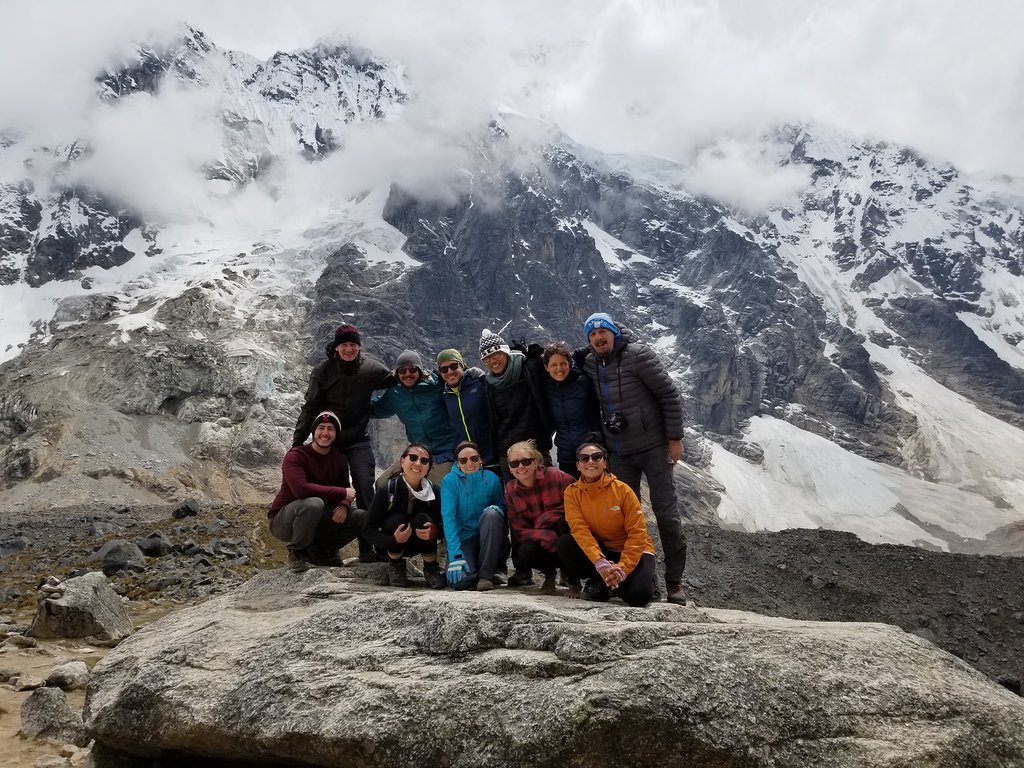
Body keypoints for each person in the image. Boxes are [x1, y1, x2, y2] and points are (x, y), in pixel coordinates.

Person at [581, 312, 688, 605]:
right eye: (592, 334)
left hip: (653, 447)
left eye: (603, 332)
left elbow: (669, 395)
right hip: (619, 452)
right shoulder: (590, 362)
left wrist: (674, 439)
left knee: (666, 514)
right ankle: (645, 579)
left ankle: (675, 582)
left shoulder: (639, 355)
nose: (598, 338)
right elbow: (563, 364)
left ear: (615, 332)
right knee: (622, 519)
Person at [292, 324, 394, 561]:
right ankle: (327, 547)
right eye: (344, 345)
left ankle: (370, 548)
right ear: (336, 348)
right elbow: (311, 407)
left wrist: (424, 375)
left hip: (358, 440)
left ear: (359, 347)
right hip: (330, 441)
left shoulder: (371, 369)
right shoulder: (323, 372)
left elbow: (397, 379)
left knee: (364, 484)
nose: (349, 349)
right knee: (328, 491)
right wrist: (298, 442)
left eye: (353, 345)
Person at [558, 434, 658, 607]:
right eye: (584, 458)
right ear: (578, 465)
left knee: (638, 596)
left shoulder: (623, 491)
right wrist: (600, 563)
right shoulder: (572, 493)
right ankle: (603, 579)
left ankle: (617, 582)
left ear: (605, 462)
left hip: (634, 550)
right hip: (603, 550)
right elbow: (579, 529)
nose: (591, 462)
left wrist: (623, 568)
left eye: (596, 457)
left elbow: (637, 533)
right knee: (566, 543)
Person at [268, 411, 365, 572]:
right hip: (284, 521)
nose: (325, 433)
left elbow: (346, 490)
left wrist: (344, 505)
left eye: (330, 429)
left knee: (361, 517)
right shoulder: (296, 455)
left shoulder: (339, 459)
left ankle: (324, 550)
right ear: (313, 432)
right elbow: (301, 490)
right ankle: (297, 553)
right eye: (321, 428)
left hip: (317, 517)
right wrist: (342, 493)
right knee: (314, 503)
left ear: (336, 434)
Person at [362, 443, 446, 589]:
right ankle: (396, 566)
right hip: (391, 545)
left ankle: (431, 567)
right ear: (402, 461)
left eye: (424, 461)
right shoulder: (388, 490)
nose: (418, 463)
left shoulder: (434, 492)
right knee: (397, 520)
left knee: (423, 520)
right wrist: (391, 540)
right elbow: (367, 529)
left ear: (428, 467)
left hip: (422, 543)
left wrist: (436, 531)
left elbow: (447, 524)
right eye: (413, 458)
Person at [503, 439, 579, 594]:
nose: (520, 467)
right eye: (514, 463)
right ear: (510, 468)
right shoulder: (510, 490)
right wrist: (543, 534)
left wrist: (548, 517)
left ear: (536, 462)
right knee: (524, 551)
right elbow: (518, 529)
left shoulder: (555, 476)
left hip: (564, 536)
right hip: (541, 540)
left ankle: (573, 579)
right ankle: (549, 574)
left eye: (525, 461)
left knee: (564, 524)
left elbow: (579, 502)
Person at [371, 350, 456, 487]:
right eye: (402, 370)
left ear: (420, 371)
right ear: (397, 373)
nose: (407, 374)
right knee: (382, 484)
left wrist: (472, 373)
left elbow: (458, 379)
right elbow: (374, 409)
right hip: (418, 452)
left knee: (438, 488)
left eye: (412, 369)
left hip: (446, 450)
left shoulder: (437, 384)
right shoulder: (394, 394)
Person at [479, 328, 552, 483]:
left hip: (537, 446)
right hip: (508, 452)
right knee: (515, 494)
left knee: (548, 491)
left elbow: (556, 366)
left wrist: (539, 357)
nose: (492, 361)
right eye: (487, 358)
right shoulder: (488, 384)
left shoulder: (528, 368)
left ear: (505, 351)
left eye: (496, 354)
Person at [440, 441, 508, 592]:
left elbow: (502, 508)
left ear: (481, 459)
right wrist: (455, 553)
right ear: (458, 463)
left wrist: (497, 509)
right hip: (464, 539)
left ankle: (485, 576)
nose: (469, 463)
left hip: (488, 537)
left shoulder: (492, 478)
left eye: (474, 458)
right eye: (463, 460)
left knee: (492, 514)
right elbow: (448, 519)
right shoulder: (449, 481)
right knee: (459, 582)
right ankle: (475, 569)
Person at [541, 341, 601, 478]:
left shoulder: (583, 382)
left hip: (590, 452)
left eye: (563, 363)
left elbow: (598, 410)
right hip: (565, 455)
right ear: (546, 367)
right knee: (571, 490)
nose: (559, 368)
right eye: (553, 365)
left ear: (569, 363)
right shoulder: (546, 387)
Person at [437, 349, 497, 470]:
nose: (450, 372)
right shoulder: (445, 395)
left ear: (462, 365)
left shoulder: (480, 382)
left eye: (454, 366)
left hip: (491, 456)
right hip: (466, 461)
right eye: (444, 369)